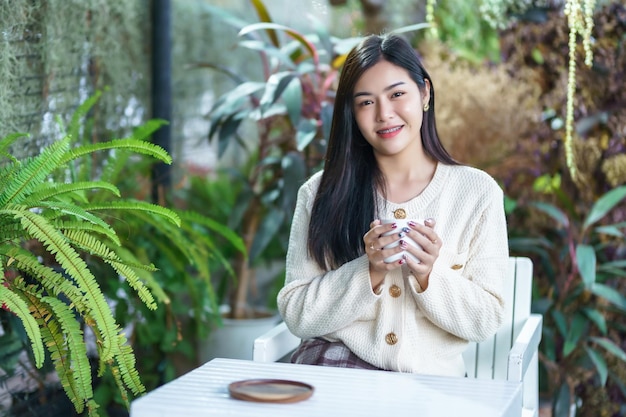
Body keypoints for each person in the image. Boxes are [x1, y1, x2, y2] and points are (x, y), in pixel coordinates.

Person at [276, 33, 509, 377]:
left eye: (397, 94)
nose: (385, 114)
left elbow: (486, 320)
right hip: (336, 379)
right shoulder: (320, 192)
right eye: (366, 102)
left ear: (424, 93)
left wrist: (430, 274)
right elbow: (296, 312)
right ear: (352, 114)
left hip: (430, 393)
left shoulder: (477, 193)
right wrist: (367, 271)